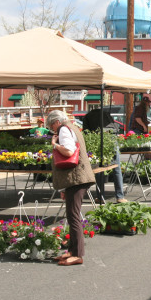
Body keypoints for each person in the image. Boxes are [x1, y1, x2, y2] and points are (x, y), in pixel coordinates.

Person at [47, 110, 96, 266]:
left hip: (77, 178)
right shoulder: (72, 127)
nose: (52, 130)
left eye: (51, 126)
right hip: (78, 178)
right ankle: (72, 250)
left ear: (56, 122)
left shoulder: (63, 129)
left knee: (73, 215)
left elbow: (68, 151)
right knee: (72, 214)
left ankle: (78, 254)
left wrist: (54, 145)